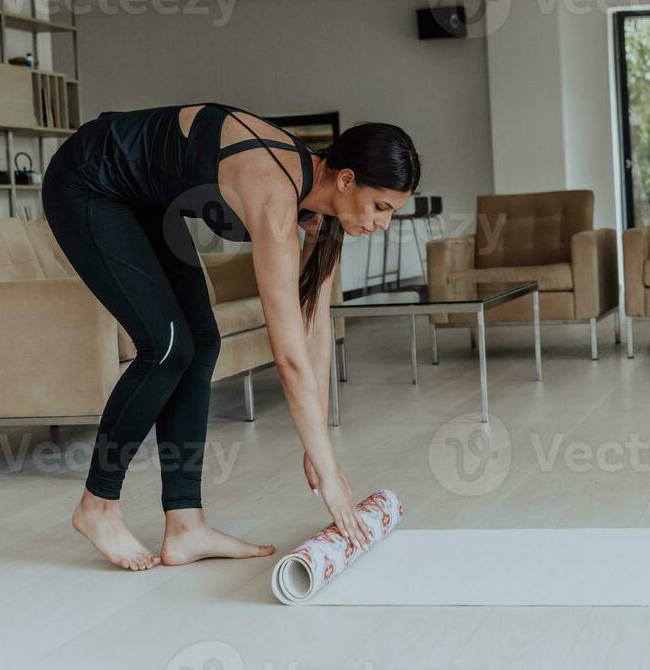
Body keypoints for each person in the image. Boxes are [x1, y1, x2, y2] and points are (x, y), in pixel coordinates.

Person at [41, 102, 419, 570]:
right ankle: (97, 505)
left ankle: (185, 525)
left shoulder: (319, 214)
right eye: (381, 207)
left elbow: (314, 327)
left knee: (201, 342)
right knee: (166, 347)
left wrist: (316, 440)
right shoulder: (275, 193)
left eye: (391, 213)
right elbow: (288, 356)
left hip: (143, 200)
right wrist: (330, 471)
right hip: (87, 181)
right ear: (345, 179)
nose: (382, 224)